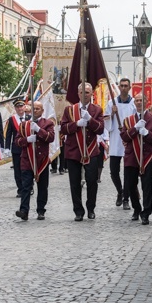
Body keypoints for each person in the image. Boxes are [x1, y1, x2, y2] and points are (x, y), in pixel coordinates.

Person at [60, 82, 104, 221]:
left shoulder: (97, 110)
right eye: (82, 92)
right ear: (78, 94)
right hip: (73, 150)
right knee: (74, 182)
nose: (84, 95)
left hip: (91, 150)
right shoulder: (69, 110)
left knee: (92, 181)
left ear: (92, 94)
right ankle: (78, 211)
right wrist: (76, 124)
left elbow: (101, 129)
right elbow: (63, 128)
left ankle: (91, 208)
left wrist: (90, 120)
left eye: (87, 92)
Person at [120, 93, 152, 225]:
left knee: (147, 186)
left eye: (141, 100)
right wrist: (135, 129)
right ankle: (137, 209)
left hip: (146, 156)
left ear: (146, 101)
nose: (138, 102)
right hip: (131, 156)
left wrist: (147, 133)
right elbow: (124, 137)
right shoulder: (128, 120)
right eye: (136, 100)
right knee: (131, 185)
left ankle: (146, 213)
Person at [14, 101, 55, 221]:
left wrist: (38, 130)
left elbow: (51, 137)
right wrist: (27, 139)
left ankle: (41, 210)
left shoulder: (48, 123)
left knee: (42, 187)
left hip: (41, 160)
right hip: (27, 160)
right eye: (34, 108)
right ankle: (24, 211)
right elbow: (17, 141)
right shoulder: (23, 125)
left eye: (38, 109)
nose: (35, 110)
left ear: (42, 111)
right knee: (26, 186)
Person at [104, 78, 136, 209]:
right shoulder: (112, 102)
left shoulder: (134, 103)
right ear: (119, 86)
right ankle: (120, 191)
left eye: (126, 86)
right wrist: (112, 113)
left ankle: (126, 198)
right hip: (116, 139)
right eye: (121, 86)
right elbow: (106, 121)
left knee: (128, 171)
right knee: (113, 171)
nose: (123, 88)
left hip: (128, 139)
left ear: (129, 87)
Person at [5, 99, 31, 198]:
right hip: (16, 148)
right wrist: (6, 148)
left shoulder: (29, 118)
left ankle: (29, 187)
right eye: (18, 107)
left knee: (28, 169)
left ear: (24, 107)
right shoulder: (12, 119)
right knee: (18, 170)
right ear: (15, 108)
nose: (20, 108)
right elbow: (8, 135)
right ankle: (20, 189)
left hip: (28, 147)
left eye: (21, 106)